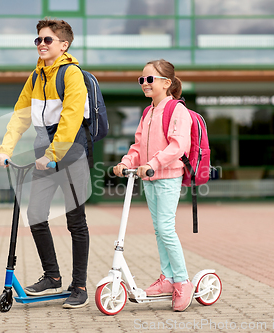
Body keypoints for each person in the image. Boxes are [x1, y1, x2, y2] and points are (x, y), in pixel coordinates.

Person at [0, 18, 90, 309]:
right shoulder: (35, 77)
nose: (41, 45)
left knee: (76, 222)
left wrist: (53, 155)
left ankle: (80, 286)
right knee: (35, 215)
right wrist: (5, 149)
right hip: (42, 154)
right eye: (38, 40)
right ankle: (52, 276)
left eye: (47, 40)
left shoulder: (72, 74)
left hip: (71, 153)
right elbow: (20, 116)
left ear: (64, 45)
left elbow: (72, 117)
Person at [113, 59, 194, 312]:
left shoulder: (176, 110)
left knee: (166, 229)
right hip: (149, 178)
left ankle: (182, 281)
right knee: (159, 230)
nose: (145, 84)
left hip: (168, 176)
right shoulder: (148, 112)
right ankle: (167, 279)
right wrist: (126, 161)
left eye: (150, 79)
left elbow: (178, 145)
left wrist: (154, 163)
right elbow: (138, 146)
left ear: (166, 83)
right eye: (142, 80)